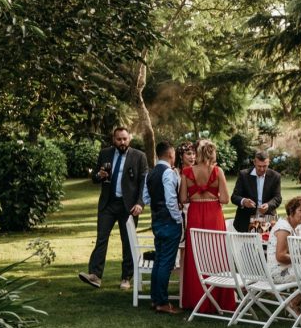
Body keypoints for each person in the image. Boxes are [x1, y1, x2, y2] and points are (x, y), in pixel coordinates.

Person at [79, 127, 148, 290]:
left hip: (129, 206)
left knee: (128, 242)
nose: (122, 142)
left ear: (129, 139)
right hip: (107, 204)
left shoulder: (139, 156)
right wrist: (99, 176)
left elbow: (143, 182)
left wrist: (140, 203)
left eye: (125, 139)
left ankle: (126, 277)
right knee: (101, 238)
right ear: (113, 139)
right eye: (119, 139)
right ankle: (95, 276)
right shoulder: (105, 154)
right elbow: (95, 177)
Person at [179, 139, 236, 311]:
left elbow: (182, 199)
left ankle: (197, 301)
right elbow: (225, 199)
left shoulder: (186, 172)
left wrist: (195, 197)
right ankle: (218, 300)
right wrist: (212, 196)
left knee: (196, 256)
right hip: (214, 215)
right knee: (216, 254)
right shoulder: (217, 171)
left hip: (195, 214)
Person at [140, 142, 183, 314]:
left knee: (158, 260)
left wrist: (157, 208)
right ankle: (163, 302)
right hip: (169, 221)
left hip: (156, 220)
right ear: (171, 154)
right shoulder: (168, 173)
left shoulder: (150, 173)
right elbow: (171, 200)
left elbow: (146, 197)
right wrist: (178, 218)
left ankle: (155, 299)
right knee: (166, 262)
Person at [231, 150, 283, 232]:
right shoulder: (243, 175)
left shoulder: (275, 176)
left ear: (269, 162)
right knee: (245, 245)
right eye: (259, 166)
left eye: (265, 166)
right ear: (254, 162)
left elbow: (278, 198)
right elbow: (234, 197)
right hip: (245, 220)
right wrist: (244, 201)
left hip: (268, 219)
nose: (262, 169)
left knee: (267, 244)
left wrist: (268, 205)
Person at [267, 195, 301, 284]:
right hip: (279, 273)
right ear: (291, 211)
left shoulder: (295, 228)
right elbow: (280, 256)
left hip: (288, 268)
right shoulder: (284, 228)